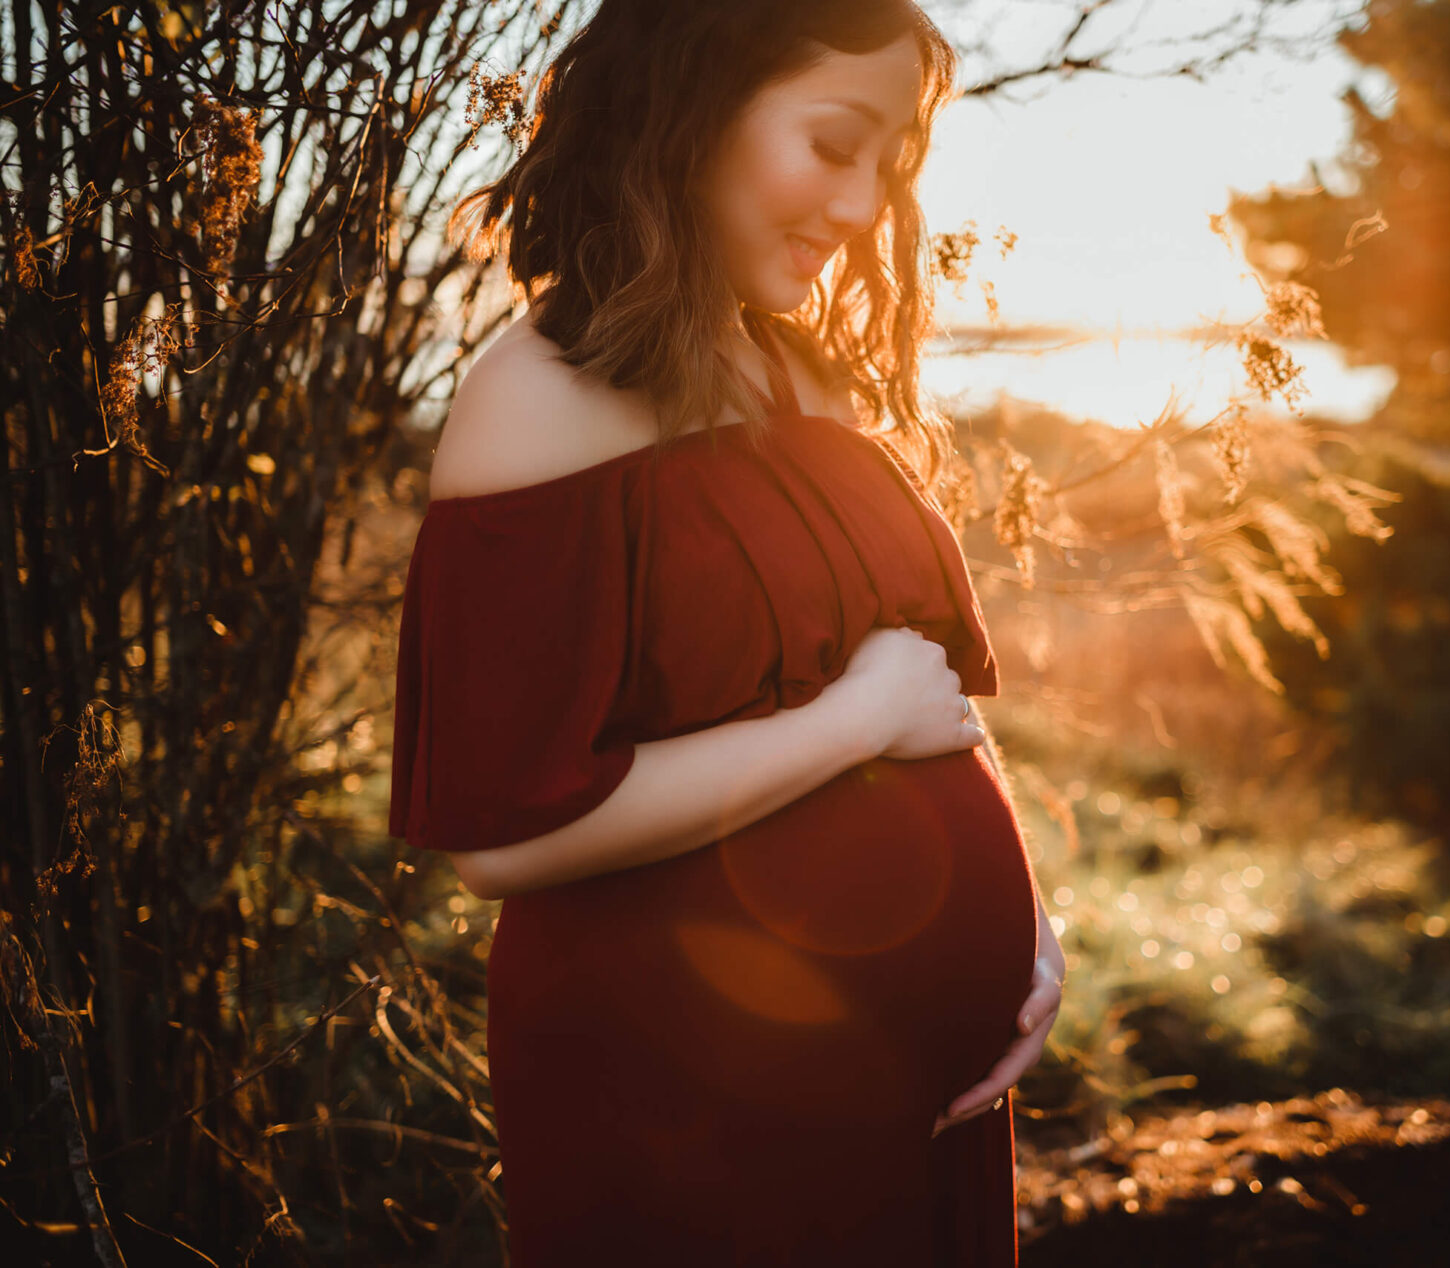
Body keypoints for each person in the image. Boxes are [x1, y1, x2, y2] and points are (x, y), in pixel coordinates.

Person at [385, 2, 1066, 1263]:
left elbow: (923, 690)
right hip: (694, 1101)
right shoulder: (544, 399)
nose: (862, 207)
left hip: (900, 1086)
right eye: (831, 144)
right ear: (686, 117)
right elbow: (501, 838)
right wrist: (848, 725)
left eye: (890, 165)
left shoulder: (796, 370)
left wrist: (1024, 933)